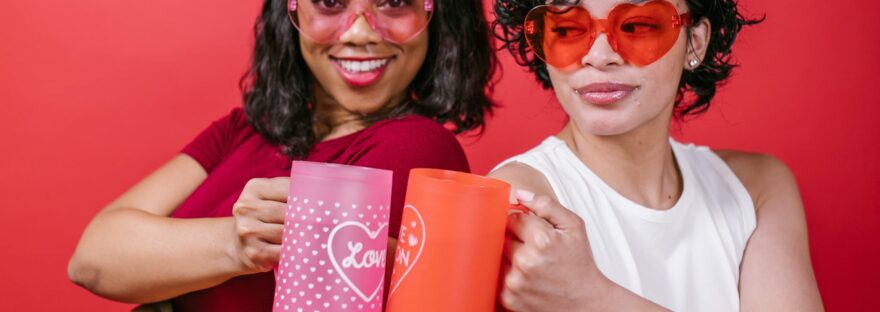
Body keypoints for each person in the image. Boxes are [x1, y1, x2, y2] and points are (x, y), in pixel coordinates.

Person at [67, 0, 497, 310]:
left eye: (394, 3)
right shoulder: (245, 129)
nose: (360, 31)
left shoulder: (417, 148)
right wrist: (238, 247)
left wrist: (167, 289)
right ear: (290, 12)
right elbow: (93, 258)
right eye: (330, 2)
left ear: (438, 14)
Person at [490, 0, 823, 310]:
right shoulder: (520, 202)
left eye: (637, 26)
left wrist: (594, 297)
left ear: (695, 42)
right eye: (567, 29)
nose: (598, 55)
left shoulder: (756, 190)